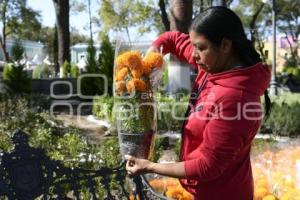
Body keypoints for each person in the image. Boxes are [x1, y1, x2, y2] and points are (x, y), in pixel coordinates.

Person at [125, 6, 271, 200]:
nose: (193, 54)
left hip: (223, 194)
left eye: (200, 47)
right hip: (204, 191)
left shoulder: (236, 99)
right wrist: (153, 56)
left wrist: (150, 166)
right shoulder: (214, 65)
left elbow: (207, 166)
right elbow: (173, 39)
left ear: (226, 46)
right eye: (194, 46)